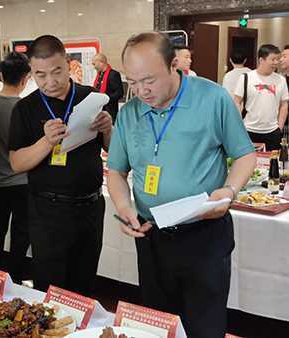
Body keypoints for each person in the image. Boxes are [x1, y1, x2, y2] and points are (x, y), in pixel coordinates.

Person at [107, 32, 256, 337]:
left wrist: (227, 192)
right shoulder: (131, 112)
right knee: (158, 326)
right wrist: (124, 207)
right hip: (152, 237)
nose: (141, 91)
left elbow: (244, 156)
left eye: (149, 80)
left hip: (204, 234)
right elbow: (116, 172)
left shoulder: (212, 98)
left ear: (174, 64)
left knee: (204, 327)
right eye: (132, 82)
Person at [9, 35, 112, 295]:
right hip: (48, 212)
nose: (50, 81)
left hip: (90, 206)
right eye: (40, 75)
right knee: (50, 286)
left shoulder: (91, 98)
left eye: (57, 71)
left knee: (85, 282)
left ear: (68, 64)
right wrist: (46, 141)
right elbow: (17, 163)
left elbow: (113, 150)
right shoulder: (25, 108)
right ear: (31, 72)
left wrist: (109, 129)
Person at [0, 52, 31, 284]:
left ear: (0, 75)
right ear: (25, 78)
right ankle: (15, 281)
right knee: (21, 235)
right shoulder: (25, 108)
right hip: (24, 183)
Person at [234, 44, 288, 151]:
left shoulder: (281, 80)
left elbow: (284, 104)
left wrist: (279, 127)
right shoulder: (246, 78)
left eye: (277, 59)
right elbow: (237, 101)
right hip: (248, 130)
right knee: (249, 163)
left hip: (272, 132)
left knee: (272, 164)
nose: (276, 63)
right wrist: (238, 124)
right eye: (273, 59)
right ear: (261, 60)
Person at [92, 53, 124, 122]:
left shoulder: (113, 74)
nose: (94, 67)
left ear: (101, 62)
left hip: (110, 112)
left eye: (94, 64)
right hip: (99, 110)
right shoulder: (100, 75)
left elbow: (119, 93)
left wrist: (106, 98)